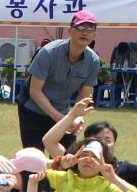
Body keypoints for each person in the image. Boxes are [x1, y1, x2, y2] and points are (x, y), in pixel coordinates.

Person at [16, 9, 100, 148]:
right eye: (80, 27)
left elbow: (85, 94)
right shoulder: (48, 52)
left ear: (94, 35)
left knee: (68, 158)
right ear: (70, 31)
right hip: (32, 109)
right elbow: (35, 91)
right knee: (34, 158)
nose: (84, 32)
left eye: (89, 29)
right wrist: (62, 119)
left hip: (62, 110)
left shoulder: (93, 60)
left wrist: (77, 117)